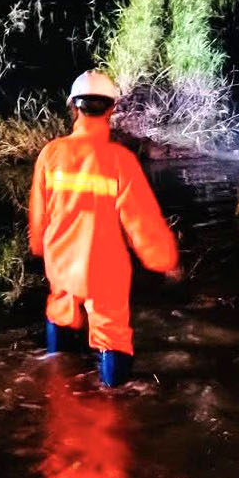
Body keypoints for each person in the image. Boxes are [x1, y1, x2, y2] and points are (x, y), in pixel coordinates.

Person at [29, 70, 181, 386]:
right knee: (111, 334)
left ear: (74, 108)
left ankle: (56, 389)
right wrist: (165, 261)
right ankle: (112, 404)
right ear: (111, 109)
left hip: (62, 266)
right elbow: (143, 224)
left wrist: (39, 247)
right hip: (104, 271)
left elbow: (39, 216)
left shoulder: (51, 154)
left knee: (61, 314)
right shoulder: (120, 161)